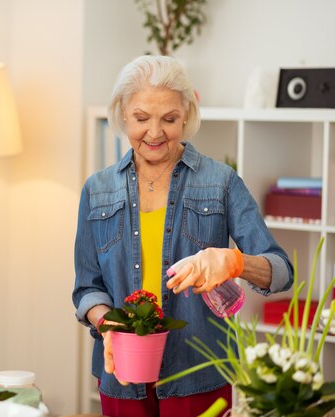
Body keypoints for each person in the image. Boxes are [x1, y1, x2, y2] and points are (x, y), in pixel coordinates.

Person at [72, 55, 293, 417]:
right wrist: (106, 322)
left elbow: (281, 271)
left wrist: (235, 261)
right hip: (121, 375)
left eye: (170, 119)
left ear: (187, 114)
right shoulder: (97, 191)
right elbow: (86, 288)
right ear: (123, 113)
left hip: (199, 370)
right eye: (142, 118)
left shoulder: (221, 182)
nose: (155, 133)